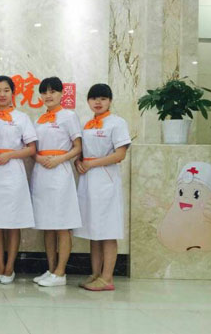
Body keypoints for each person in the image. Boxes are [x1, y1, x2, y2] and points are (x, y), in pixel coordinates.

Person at [0, 76, 37, 284]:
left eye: (6, 90)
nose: (2, 94)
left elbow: (31, 148)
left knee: (13, 222)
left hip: (13, 172)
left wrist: (9, 155)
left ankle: (10, 267)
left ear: (13, 93)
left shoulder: (22, 117)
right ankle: (0, 266)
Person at [74, 84, 131, 291]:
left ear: (110, 101)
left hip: (106, 179)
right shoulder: (87, 124)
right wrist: (78, 162)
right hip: (88, 180)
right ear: (88, 101)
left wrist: (92, 164)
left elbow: (120, 154)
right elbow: (81, 151)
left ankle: (107, 278)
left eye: (103, 98)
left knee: (107, 230)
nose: (98, 102)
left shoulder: (117, 123)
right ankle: (95, 274)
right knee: (93, 230)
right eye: (94, 98)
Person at [31, 76, 82, 287]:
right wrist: (38, 158)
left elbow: (78, 147)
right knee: (47, 224)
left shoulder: (69, 116)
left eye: (52, 91)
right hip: (41, 173)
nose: (48, 95)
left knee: (62, 224)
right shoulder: (39, 120)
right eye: (44, 92)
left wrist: (60, 159)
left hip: (60, 172)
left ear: (61, 94)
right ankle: (51, 269)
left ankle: (61, 272)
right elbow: (32, 149)